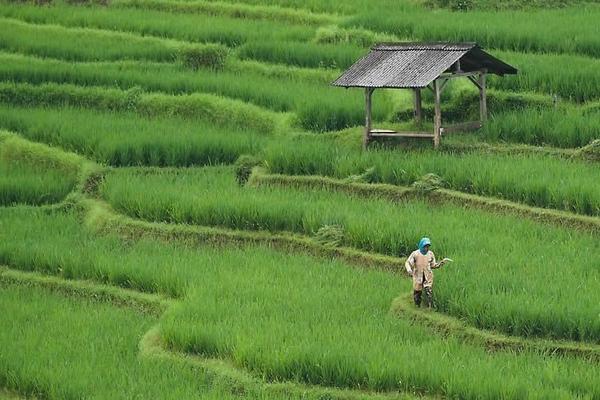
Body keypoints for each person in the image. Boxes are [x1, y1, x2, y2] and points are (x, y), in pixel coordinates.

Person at [404, 237, 447, 308]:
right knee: (417, 293)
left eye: (428, 247)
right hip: (418, 276)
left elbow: (433, 265)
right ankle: (417, 306)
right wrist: (409, 270)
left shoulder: (430, 254)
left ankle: (429, 307)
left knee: (428, 292)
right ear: (421, 246)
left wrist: (441, 263)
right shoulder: (415, 254)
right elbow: (408, 263)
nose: (426, 249)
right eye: (425, 247)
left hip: (428, 276)